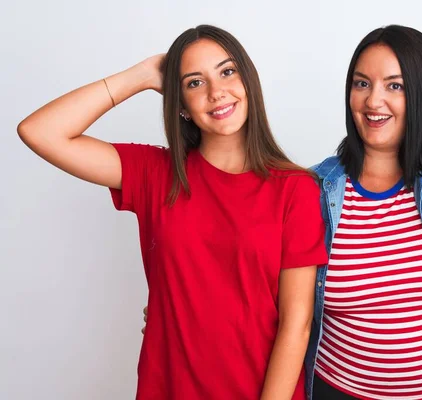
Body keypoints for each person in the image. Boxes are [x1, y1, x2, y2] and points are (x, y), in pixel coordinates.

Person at [140, 25, 422, 400]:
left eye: (397, 85)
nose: (374, 101)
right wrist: (178, 320)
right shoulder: (312, 189)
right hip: (337, 391)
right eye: (361, 83)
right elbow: (257, 282)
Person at [17, 24, 328, 400]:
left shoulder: (295, 188)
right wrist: (142, 75)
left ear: (248, 80)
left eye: (227, 72)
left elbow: (296, 325)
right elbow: (40, 131)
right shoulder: (155, 174)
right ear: (179, 104)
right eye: (194, 83)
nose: (217, 93)